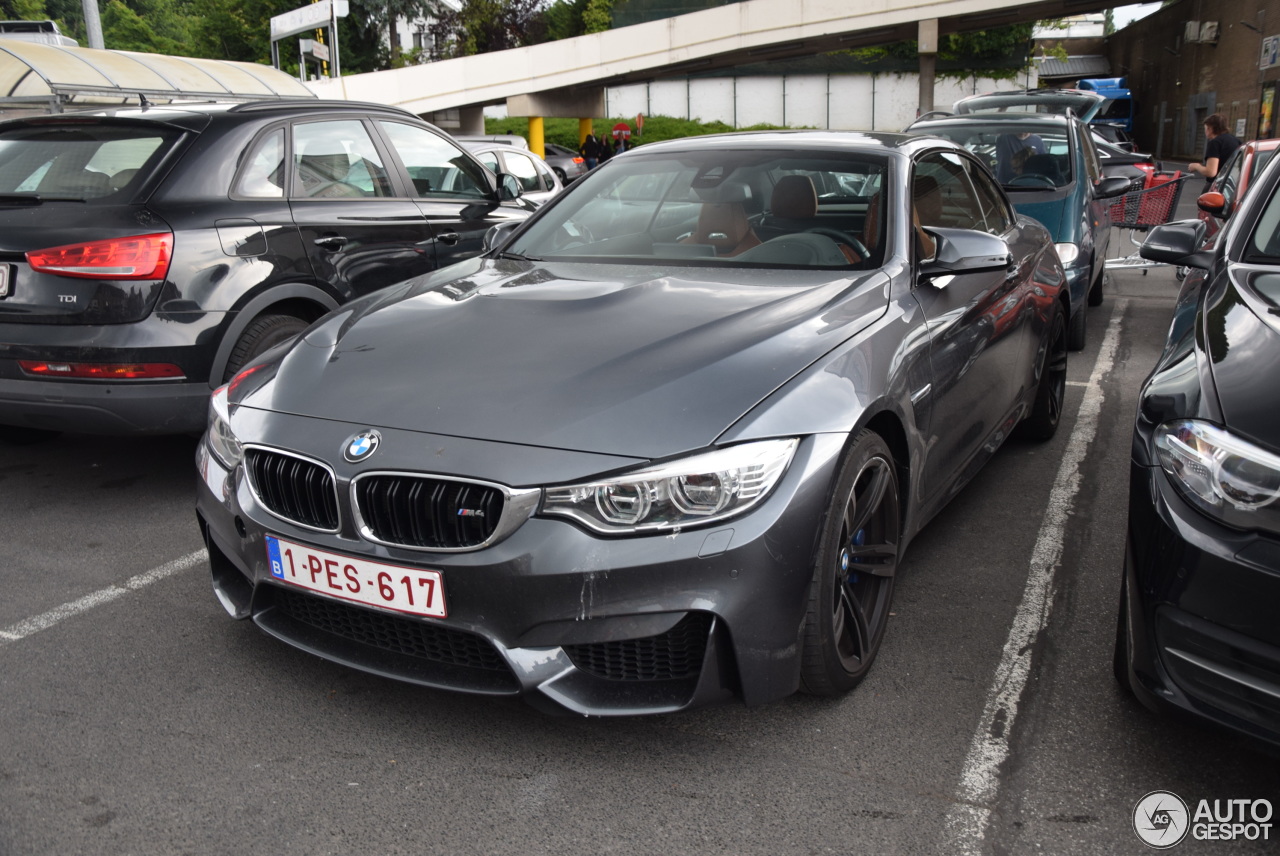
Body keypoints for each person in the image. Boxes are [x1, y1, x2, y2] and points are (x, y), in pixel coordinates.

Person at [1188, 113, 1242, 188]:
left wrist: (1196, 166)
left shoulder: (1215, 143)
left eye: (1205, 128)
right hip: (1232, 185)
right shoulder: (1236, 140)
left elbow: (1211, 172)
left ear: (1210, 128)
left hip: (1217, 186)